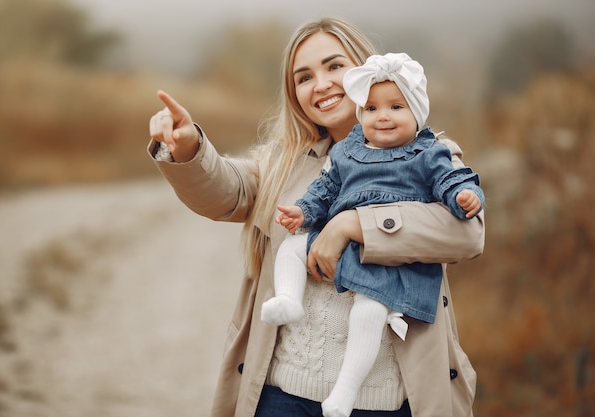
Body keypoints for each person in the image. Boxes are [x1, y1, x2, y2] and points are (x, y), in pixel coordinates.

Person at [148, 17, 484, 417]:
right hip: (281, 395)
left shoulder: (426, 152)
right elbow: (226, 191)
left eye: (334, 66)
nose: (320, 84)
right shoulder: (283, 162)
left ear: (364, 71)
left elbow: (466, 234)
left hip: (385, 402)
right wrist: (189, 150)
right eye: (304, 77)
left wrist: (352, 225)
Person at [261, 52, 484, 417]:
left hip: (388, 261)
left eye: (396, 107)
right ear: (361, 114)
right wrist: (303, 211)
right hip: (342, 250)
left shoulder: (428, 153)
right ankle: (289, 299)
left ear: (417, 113)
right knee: (292, 246)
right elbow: (325, 188)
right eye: (372, 109)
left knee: (369, 312)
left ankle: (346, 390)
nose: (383, 116)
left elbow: (452, 182)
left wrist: (464, 197)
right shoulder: (348, 151)